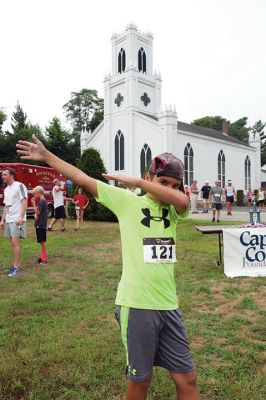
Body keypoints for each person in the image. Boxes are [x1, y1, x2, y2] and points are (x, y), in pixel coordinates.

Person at [16, 135, 200, 400]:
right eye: (162, 182)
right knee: (141, 380)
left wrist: (137, 182)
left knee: (188, 379)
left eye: (174, 185)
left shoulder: (175, 209)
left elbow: (182, 202)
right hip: (137, 305)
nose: (168, 191)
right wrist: (46, 157)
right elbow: (82, 179)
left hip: (169, 305)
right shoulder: (127, 202)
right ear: (149, 178)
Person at [0, 167, 28, 276]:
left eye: (4, 174)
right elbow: (6, 206)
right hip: (9, 219)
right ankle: (16, 264)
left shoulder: (19, 186)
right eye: (2, 175)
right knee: (12, 242)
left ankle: (17, 267)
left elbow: (24, 201)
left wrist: (21, 217)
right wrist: (2, 220)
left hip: (17, 219)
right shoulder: (6, 189)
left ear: (11, 175)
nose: (2, 176)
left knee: (15, 242)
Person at [31, 186, 48, 265]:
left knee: (42, 242)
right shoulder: (42, 201)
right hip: (40, 223)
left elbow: (37, 212)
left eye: (34, 194)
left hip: (41, 224)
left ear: (38, 193)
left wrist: (33, 204)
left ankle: (44, 259)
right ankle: (42, 257)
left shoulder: (42, 201)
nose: (34, 196)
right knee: (41, 242)